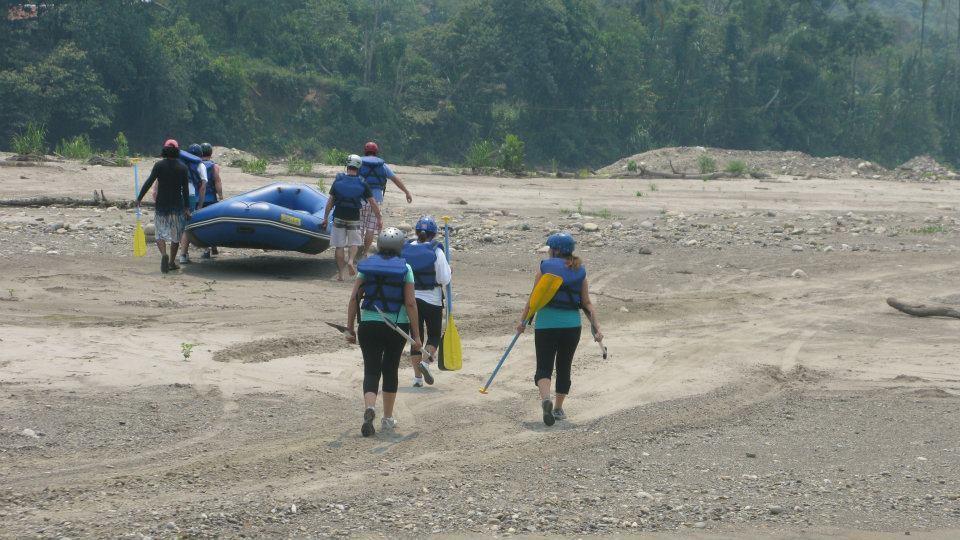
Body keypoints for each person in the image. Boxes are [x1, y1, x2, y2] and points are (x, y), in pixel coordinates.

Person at [516, 232, 602, 426]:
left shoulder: (545, 269)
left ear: (554, 251)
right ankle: (558, 408)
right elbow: (587, 303)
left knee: (544, 366)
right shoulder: (579, 270)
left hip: (547, 324)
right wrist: (597, 328)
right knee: (564, 366)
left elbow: (533, 299)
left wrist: (522, 322)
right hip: (572, 326)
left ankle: (545, 399)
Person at [346, 227, 422, 437]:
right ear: (400, 247)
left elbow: (354, 299)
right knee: (390, 370)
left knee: (371, 370)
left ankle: (370, 407)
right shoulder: (405, 268)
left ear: (379, 245)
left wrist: (350, 328)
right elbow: (410, 303)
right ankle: (387, 419)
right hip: (396, 327)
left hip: (369, 325)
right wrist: (416, 336)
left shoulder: (367, 267)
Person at [400, 216, 451, 387]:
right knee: (434, 335)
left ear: (416, 232)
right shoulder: (436, 250)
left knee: (416, 337)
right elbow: (444, 278)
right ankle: (426, 363)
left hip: (410, 299)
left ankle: (417, 379)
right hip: (432, 299)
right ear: (434, 234)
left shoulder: (406, 248)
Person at [322, 154, 382, 280]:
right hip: (354, 217)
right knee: (354, 243)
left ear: (347, 166)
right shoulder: (362, 182)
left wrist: (326, 218)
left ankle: (340, 274)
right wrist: (379, 218)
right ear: (359, 167)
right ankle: (350, 261)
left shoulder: (338, 180)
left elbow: (330, 201)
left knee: (339, 246)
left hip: (338, 216)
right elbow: (373, 203)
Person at [136, 139, 191, 274]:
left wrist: (139, 199)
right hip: (177, 206)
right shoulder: (183, 167)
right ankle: (171, 262)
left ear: (164, 150)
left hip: (161, 205)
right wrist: (187, 208)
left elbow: (149, 182)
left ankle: (163, 255)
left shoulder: (159, 165)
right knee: (176, 236)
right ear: (177, 150)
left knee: (159, 234)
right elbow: (185, 190)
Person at [358, 141, 413, 257]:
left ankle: (356, 254)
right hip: (376, 201)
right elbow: (396, 180)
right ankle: (364, 253)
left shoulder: (359, 164)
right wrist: (406, 192)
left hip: (360, 199)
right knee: (370, 228)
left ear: (365, 152)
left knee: (360, 227)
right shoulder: (383, 166)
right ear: (376, 152)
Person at [177, 143, 207, 265]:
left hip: (176, 194)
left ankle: (181, 252)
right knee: (187, 225)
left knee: (180, 223)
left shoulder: (180, 162)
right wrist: (200, 204)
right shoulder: (200, 165)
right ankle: (183, 255)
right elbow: (203, 186)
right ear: (200, 155)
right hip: (190, 195)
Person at [199, 142, 223, 259]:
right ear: (211, 153)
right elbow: (217, 181)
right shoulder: (214, 166)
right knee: (211, 223)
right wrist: (221, 197)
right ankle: (213, 246)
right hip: (211, 199)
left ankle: (206, 249)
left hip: (200, 199)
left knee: (202, 224)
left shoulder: (196, 165)